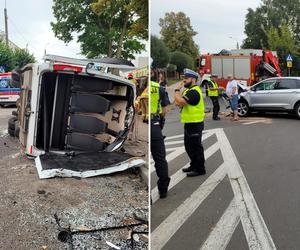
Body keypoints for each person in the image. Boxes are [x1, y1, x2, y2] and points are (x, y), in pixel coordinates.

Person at [174, 68, 206, 177]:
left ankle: (200, 169)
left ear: (193, 79)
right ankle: (193, 165)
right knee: (189, 146)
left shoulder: (194, 92)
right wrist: (178, 97)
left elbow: (181, 102)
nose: (184, 81)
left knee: (196, 147)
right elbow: (178, 103)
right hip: (189, 123)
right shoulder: (188, 91)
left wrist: (176, 91)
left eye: (186, 78)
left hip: (195, 123)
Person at [150, 69, 170, 198]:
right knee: (160, 159)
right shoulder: (160, 89)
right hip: (155, 126)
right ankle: (163, 190)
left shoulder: (141, 88)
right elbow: (165, 110)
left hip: (145, 122)